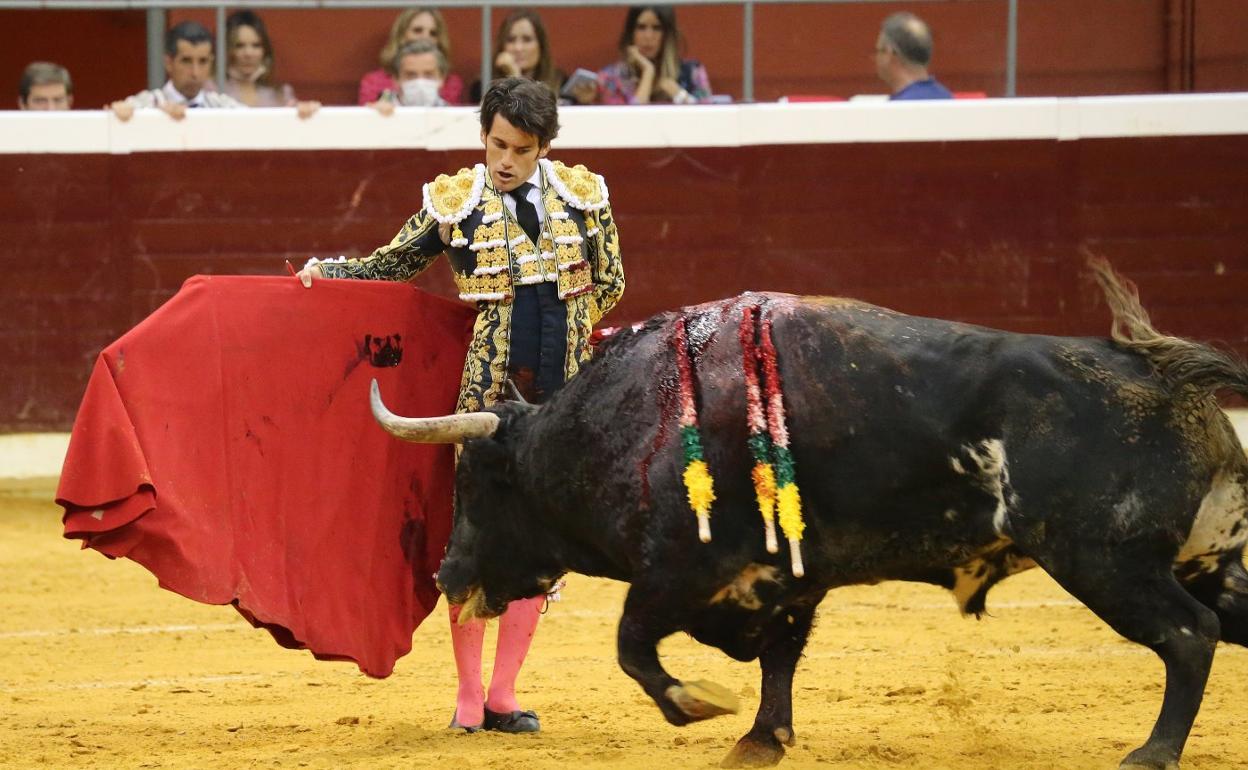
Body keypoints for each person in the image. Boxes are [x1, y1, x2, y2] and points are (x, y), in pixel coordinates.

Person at [297, 78, 624, 732]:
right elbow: (389, 266)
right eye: (497, 144)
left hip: (559, 403)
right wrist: (326, 270)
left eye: (521, 149)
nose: (505, 160)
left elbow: (611, 284)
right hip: (485, 404)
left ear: (544, 147)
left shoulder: (584, 199)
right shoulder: (456, 203)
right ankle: (470, 699)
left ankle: (504, 695)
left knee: (543, 545)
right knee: (475, 538)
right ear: (483, 135)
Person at [110, 21, 244, 121]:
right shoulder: (143, 105)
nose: (195, 72)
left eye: (203, 61)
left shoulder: (225, 107)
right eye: (186, 61)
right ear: (169, 63)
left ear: (211, 62)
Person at [596, 5, 712, 105]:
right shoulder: (610, 78)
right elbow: (630, 123)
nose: (648, 36)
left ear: (667, 35)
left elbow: (708, 121)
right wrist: (648, 72)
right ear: (631, 33)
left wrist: (678, 93)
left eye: (657, 28)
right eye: (641, 27)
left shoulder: (692, 72)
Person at [223, 9, 320, 118]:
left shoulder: (281, 94)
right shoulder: (212, 90)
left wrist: (307, 110)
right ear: (226, 49)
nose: (248, 53)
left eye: (256, 45)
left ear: (265, 50)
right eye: (239, 45)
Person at [358, 7, 465, 107]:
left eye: (433, 33)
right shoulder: (373, 81)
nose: (425, 37)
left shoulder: (452, 82)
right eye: (418, 30)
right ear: (401, 34)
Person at [469, 9, 563, 103]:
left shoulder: (560, 83)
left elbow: (533, 115)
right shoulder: (482, 85)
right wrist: (514, 75)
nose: (518, 48)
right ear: (502, 46)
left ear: (541, 46)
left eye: (527, 40)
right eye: (511, 40)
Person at [874, 12, 953, 100]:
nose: (876, 58)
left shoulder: (899, 108)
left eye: (879, 50)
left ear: (890, 53)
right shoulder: (945, 96)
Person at [369, 39, 451, 115]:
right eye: (411, 75)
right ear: (396, 79)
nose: (420, 81)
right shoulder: (377, 111)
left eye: (428, 75)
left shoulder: (453, 115)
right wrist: (374, 117)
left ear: (442, 78)